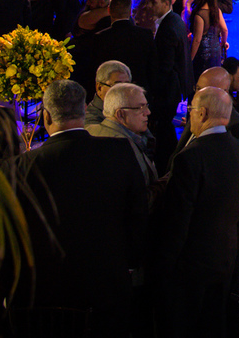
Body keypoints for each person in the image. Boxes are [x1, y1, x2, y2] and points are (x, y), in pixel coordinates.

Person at [13, 80, 147, 335]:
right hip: (108, 287)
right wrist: (128, 265)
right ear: (84, 111)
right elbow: (137, 214)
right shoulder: (119, 152)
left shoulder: (22, 166)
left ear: (46, 115)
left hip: (48, 295)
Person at [155, 87, 239, 338]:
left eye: (191, 110)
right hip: (227, 255)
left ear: (202, 113)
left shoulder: (190, 158)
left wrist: (163, 267)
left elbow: (177, 222)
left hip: (191, 266)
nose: (188, 116)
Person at [167, 67, 239, 175]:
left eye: (205, 91)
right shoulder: (196, 114)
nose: (198, 96)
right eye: (198, 89)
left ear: (224, 92)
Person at [148, 0, 189, 171]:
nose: (149, 6)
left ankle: (168, 166)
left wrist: (154, 90)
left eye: (153, 2)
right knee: (166, 129)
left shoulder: (168, 28)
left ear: (166, 3)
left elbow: (166, 66)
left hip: (168, 89)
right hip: (176, 86)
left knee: (163, 129)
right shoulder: (175, 21)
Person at [87, 82, 159, 187]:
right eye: (140, 108)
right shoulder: (123, 148)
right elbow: (139, 197)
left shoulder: (89, 132)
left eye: (146, 106)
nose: (148, 112)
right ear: (120, 114)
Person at [93, 0, 154, 87]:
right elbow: (152, 68)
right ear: (130, 12)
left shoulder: (100, 38)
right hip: (139, 90)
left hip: (111, 91)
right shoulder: (146, 35)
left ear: (109, 10)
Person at [189, 0, 227, 75]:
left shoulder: (200, 14)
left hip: (203, 54)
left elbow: (197, 40)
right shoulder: (216, 10)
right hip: (216, 51)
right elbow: (225, 30)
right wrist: (222, 43)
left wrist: (189, 60)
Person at [86, 59, 132, 126]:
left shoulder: (132, 111)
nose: (123, 92)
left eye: (126, 86)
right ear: (99, 88)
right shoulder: (91, 120)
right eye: (117, 86)